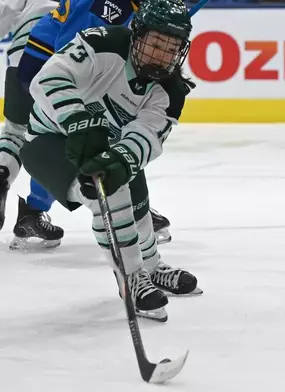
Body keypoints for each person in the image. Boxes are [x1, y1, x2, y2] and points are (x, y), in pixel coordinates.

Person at [19, 0, 201, 321]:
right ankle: (131, 278)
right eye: (156, 43)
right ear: (138, 33)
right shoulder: (102, 42)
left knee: (137, 197)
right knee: (108, 195)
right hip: (46, 143)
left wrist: (121, 160)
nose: (161, 55)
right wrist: (78, 121)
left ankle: (153, 266)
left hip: (103, 144)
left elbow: (146, 137)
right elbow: (47, 80)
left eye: (171, 48)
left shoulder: (171, 91)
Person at [0, 0, 173, 251]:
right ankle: (128, 210)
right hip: (48, 66)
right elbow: (75, 47)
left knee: (17, 131)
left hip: (25, 55)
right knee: (100, 131)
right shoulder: (116, 4)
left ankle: (17, 190)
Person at [0, 0, 64, 249]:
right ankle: (33, 212)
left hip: (22, 55)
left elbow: (5, 12)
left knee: (14, 132)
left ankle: (2, 171)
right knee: (58, 139)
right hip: (64, 59)